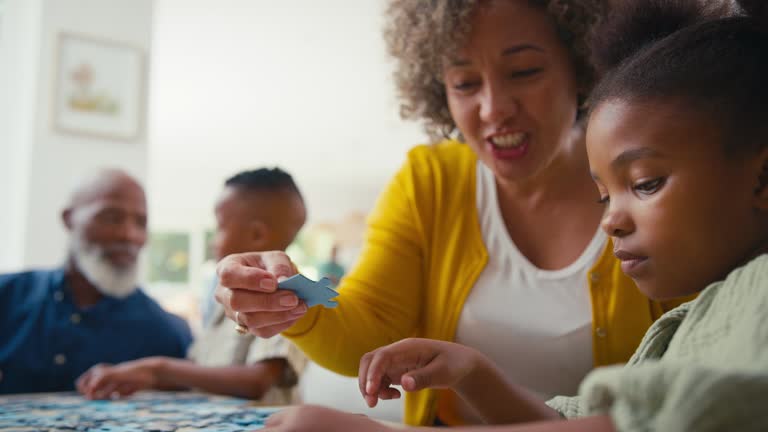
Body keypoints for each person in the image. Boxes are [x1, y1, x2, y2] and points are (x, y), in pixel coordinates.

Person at [260, 0, 768, 430]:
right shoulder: (430, 180)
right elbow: (585, 417)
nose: (494, 109)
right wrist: (290, 293)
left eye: (524, 71)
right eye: (463, 83)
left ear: (581, 66)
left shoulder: (739, 287)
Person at [77, 168, 308, 403]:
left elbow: (257, 381)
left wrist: (157, 370)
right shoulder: (229, 298)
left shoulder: (288, 298)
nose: (212, 242)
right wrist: (140, 376)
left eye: (220, 227)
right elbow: (198, 371)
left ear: (257, 235)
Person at [0, 169, 192, 395]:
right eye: (112, 218)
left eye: (141, 223)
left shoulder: (167, 334)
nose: (129, 235)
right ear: (69, 219)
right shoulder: (7, 296)